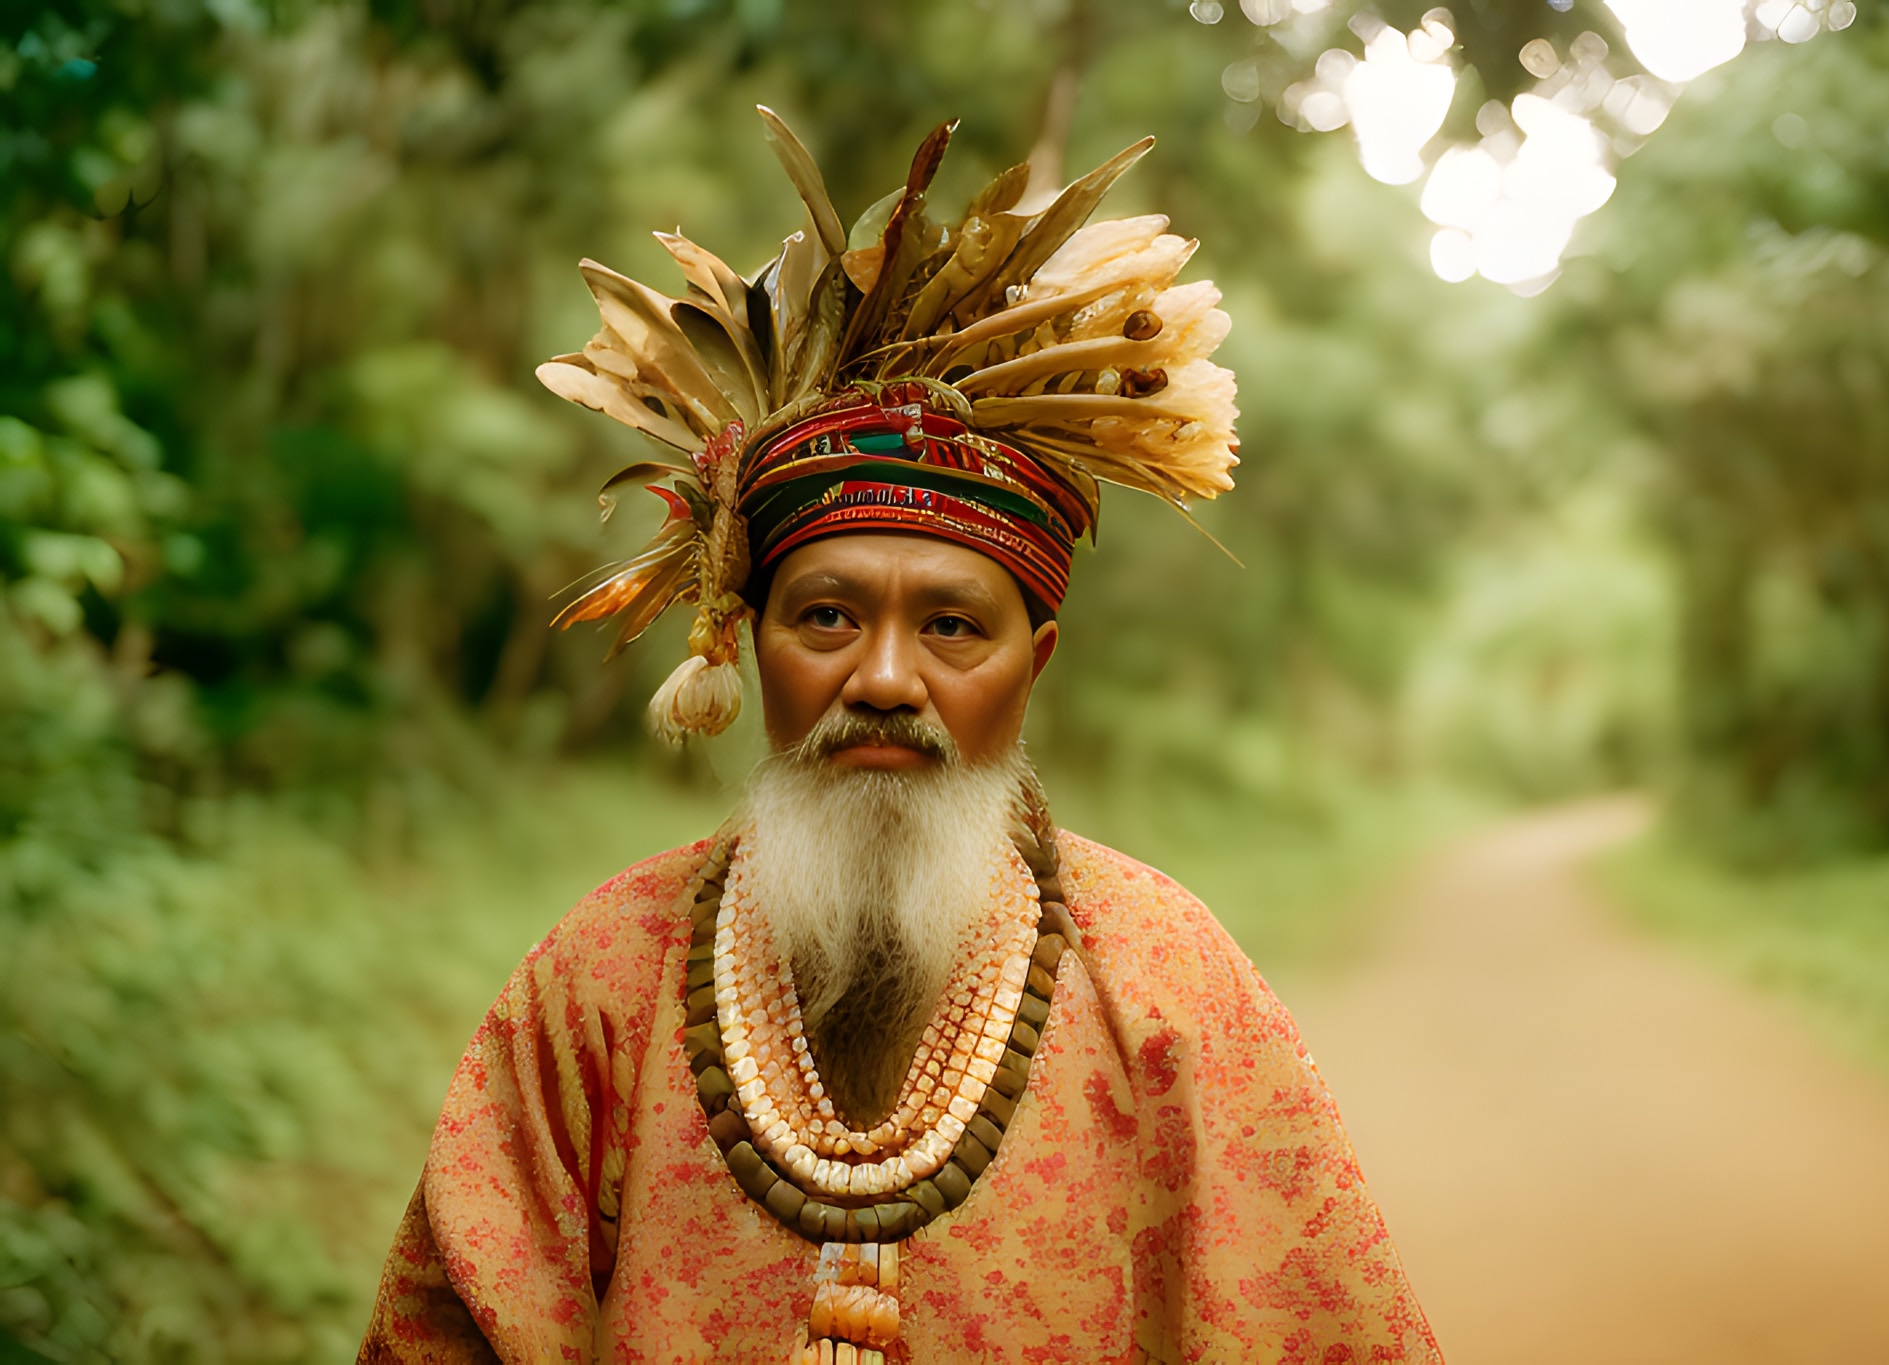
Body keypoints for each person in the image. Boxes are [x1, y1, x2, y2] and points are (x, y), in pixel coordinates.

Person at [358, 109, 1439, 1364]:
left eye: (950, 629)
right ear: (744, 643)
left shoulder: (1167, 987)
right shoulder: (599, 984)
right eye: (824, 616)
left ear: (1030, 667)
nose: (881, 678)